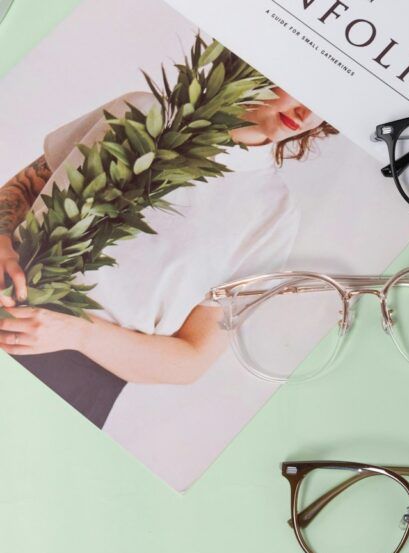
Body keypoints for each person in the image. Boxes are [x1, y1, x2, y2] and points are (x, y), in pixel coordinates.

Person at [0, 82, 337, 427]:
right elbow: (24, 188)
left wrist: (77, 333)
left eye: (328, 107)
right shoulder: (142, 112)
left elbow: (193, 356)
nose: (306, 114)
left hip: (73, 382)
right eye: (305, 89)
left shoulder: (274, 212)